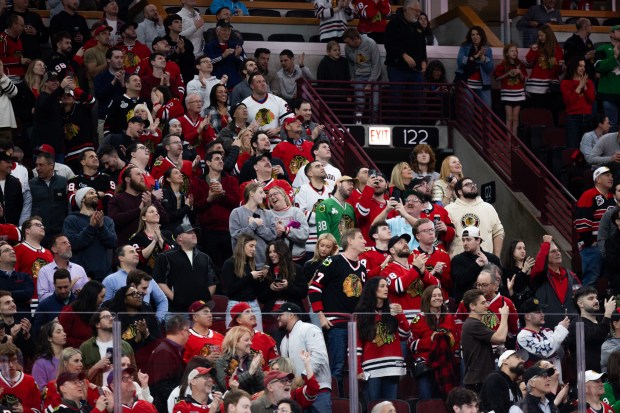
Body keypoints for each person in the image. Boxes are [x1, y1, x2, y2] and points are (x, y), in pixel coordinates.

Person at [308, 228, 367, 391]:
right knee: (338, 367)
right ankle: (337, 401)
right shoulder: (332, 262)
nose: (365, 241)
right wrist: (320, 316)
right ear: (350, 241)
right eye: (361, 238)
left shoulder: (362, 269)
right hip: (336, 324)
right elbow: (314, 288)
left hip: (356, 326)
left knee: (356, 368)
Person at [354, 277, 408, 402]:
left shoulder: (393, 310)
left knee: (390, 405)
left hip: (392, 365)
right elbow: (356, 346)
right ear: (373, 289)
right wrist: (357, 369)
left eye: (386, 286)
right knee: (374, 406)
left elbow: (405, 334)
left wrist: (400, 315)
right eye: (382, 286)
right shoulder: (361, 315)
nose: (386, 289)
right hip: (372, 368)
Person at [276, 302, 331, 413]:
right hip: (298, 394)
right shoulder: (283, 341)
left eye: (280, 314)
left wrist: (303, 376)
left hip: (318, 390)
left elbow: (318, 356)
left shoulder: (309, 329)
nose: (278, 318)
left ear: (291, 315)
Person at [153, 223, 217, 313]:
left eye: (194, 232)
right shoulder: (166, 256)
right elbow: (159, 281)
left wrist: (205, 299)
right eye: (189, 232)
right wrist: (175, 299)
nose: (194, 234)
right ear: (179, 238)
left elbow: (212, 282)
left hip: (201, 310)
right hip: (177, 312)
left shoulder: (205, 257)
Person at [410, 285, 459, 399]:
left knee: (447, 401)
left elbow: (456, 342)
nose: (438, 298)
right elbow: (412, 345)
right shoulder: (418, 319)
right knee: (427, 403)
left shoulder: (449, 318)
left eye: (440, 295)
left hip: (446, 366)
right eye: (434, 296)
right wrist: (430, 340)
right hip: (426, 367)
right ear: (427, 299)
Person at [62, 187, 117, 281]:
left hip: (105, 275)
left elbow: (113, 242)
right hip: (81, 276)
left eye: (96, 193)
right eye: (91, 193)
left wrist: (101, 227)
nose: (95, 195)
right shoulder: (71, 220)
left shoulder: (106, 220)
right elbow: (73, 244)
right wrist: (90, 227)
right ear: (82, 198)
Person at [460, 288, 509, 393]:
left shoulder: (474, 323)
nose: (487, 306)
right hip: (478, 381)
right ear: (472, 306)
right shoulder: (473, 324)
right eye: (482, 303)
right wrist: (504, 316)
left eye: (486, 302)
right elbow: (500, 338)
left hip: (480, 379)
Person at [381, 233, 439, 321]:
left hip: (422, 316)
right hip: (402, 318)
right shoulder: (388, 268)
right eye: (400, 243)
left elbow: (436, 286)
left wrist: (423, 273)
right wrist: (416, 268)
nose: (405, 244)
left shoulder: (415, 267)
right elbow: (398, 287)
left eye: (406, 243)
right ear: (392, 250)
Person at [108, 166, 167, 245]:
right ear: (128, 179)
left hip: (151, 244)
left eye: (142, 175)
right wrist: (139, 210)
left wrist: (150, 207)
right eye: (138, 174)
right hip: (128, 246)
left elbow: (165, 219)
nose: (142, 177)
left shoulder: (149, 196)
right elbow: (114, 221)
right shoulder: (117, 199)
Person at [575, 166, 615, 286]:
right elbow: (582, 222)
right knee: (590, 279)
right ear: (598, 179)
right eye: (607, 175)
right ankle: (585, 304)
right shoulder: (589, 195)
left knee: (609, 281)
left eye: (611, 176)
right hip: (593, 246)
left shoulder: (613, 198)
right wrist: (590, 242)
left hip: (610, 246)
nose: (611, 178)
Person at [446, 177, 505, 257]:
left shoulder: (488, 207)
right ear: (459, 191)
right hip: (460, 262)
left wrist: (496, 258)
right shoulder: (449, 209)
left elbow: (498, 232)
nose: (473, 185)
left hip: (485, 261)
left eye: (473, 184)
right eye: (468, 184)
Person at [531, 234, 580, 327]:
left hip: (572, 328)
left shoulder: (572, 276)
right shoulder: (541, 277)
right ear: (546, 256)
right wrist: (546, 244)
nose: (558, 253)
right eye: (553, 251)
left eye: (558, 250)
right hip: (549, 330)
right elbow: (539, 268)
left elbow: (581, 298)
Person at [145, 314, 189, 413]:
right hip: (164, 407)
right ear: (183, 331)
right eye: (188, 332)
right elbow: (162, 386)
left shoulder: (170, 349)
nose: (189, 335)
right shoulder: (164, 352)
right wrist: (183, 397)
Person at [78, 308, 134, 386]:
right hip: (96, 393)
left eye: (111, 316)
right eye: (106, 317)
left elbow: (134, 374)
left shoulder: (125, 346)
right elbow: (80, 378)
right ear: (97, 324)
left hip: (119, 392)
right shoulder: (85, 347)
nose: (111, 319)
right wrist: (97, 367)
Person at [221, 235, 265, 331]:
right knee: (234, 340)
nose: (254, 249)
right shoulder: (229, 263)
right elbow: (229, 290)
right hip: (236, 305)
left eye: (255, 247)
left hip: (253, 305)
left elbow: (257, 291)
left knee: (257, 339)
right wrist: (250, 277)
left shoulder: (252, 264)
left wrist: (261, 279)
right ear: (242, 245)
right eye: (251, 246)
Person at [229, 182, 277, 269]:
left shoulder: (268, 213)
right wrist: (253, 225)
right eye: (261, 192)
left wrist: (258, 226)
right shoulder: (236, 213)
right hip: (243, 265)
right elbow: (236, 236)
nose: (264, 196)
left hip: (264, 264)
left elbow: (272, 236)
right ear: (251, 193)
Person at [567, 286, 615, 371]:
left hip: (605, 374)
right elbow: (594, 337)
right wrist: (607, 314)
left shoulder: (601, 322)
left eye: (596, 298)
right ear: (580, 303)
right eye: (591, 298)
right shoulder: (577, 323)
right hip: (587, 378)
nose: (596, 301)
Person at [451, 226, 501, 303]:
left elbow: (499, 283)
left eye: (468, 239)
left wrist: (487, 265)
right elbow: (459, 281)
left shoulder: (493, 259)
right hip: (467, 304)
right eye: (463, 240)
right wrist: (476, 266)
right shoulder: (457, 259)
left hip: (490, 303)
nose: (465, 243)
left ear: (478, 240)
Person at [242, 74, 292, 147]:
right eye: (258, 82)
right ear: (252, 86)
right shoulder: (244, 105)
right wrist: (251, 129)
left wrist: (278, 129)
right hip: (255, 145)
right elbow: (239, 126)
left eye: (264, 81)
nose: (263, 84)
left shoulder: (279, 101)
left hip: (277, 144)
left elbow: (291, 120)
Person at [294, 161, 331, 258]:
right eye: (318, 166)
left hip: (328, 244)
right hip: (309, 244)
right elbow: (300, 214)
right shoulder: (302, 190)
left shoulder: (330, 191)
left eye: (322, 165)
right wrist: (325, 218)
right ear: (310, 173)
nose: (322, 168)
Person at [214, 326, 264, 395]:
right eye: (246, 340)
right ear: (235, 343)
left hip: (252, 401)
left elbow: (261, 387)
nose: (250, 343)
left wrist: (257, 371)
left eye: (250, 340)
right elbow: (226, 387)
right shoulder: (223, 362)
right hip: (231, 402)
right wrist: (250, 373)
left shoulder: (251, 359)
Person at [525, 24, 564, 112]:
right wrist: (532, 50)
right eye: (538, 35)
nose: (539, 38)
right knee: (537, 111)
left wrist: (561, 66)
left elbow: (559, 71)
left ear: (548, 35)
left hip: (551, 86)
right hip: (535, 86)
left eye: (541, 35)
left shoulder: (558, 50)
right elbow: (528, 63)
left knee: (549, 111)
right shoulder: (537, 48)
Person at [58, 280, 105, 348]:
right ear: (93, 296)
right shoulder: (69, 312)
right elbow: (62, 338)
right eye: (102, 297)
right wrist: (86, 344)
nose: (102, 301)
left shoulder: (97, 313)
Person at [267, 187, 308, 263]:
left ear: (284, 196)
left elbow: (305, 234)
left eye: (275, 193)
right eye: (270, 196)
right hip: (276, 261)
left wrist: (286, 230)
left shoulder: (296, 211)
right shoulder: (267, 214)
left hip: (296, 260)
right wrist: (275, 233)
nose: (272, 197)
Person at [561, 57, 595, 149]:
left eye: (584, 66)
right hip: (573, 118)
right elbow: (570, 102)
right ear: (573, 67)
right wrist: (580, 86)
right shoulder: (565, 83)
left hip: (587, 117)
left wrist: (585, 87)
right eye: (580, 66)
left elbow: (591, 100)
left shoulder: (589, 82)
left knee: (587, 148)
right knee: (573, 147)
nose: (583, 68)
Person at [494, 43, 527, 136]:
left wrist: (520, 73)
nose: (514, 52)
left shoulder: (520, 64)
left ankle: (515, 141)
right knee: (509, 117)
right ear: (507, 53)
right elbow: (497, 78)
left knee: (516, 118)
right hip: (507, 94)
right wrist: (507, 73)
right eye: (512, 51)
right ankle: (509, 142)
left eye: (515, 51)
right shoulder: (502, 65)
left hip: (518, 94)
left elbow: (523, 79)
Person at [455, 26, 494, 106]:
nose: (475, 37)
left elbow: (489, 69)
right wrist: (475, 56)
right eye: (473, 35)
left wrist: (483, 58)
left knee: (486, 109)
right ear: (470, 36)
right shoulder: (465, 47)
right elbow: (460, 62)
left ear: (481, 35)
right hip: (467, 82)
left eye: (477, 34)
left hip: (483, 84)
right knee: (468, 110)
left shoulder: (487, 49)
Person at [0, 342, 43, 413]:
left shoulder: (30, 381)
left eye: (13, 360)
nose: (11, 365)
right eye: (6, 361)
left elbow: (38, 410)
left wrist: (25, 411)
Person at [315, 176, 357, 246]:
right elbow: (323, 234)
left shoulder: (350, 208)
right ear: (338, 183)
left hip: (349, 251)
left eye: (353, 185)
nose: (352, 187)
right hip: (333, 251)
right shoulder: (325, 205)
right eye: (349, 183)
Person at [594, 25, 620, 132]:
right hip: (609, 95)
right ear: (611, 34)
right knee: (611, 126)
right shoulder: (602, 48)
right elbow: (598, 67)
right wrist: (614, 57)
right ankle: (611, 149)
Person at [204, 20, 245, 88]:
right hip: (216, 85)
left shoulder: (236, 46)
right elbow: (208, 63)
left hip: (234, 84)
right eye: (224, 30)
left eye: (229, 30)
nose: (227, 33)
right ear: (217, 31)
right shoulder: (209, 46)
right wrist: (222, 56)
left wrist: (238, 56)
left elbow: (245, 64)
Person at [31, 320, 66, 389]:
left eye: (63, 331)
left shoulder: (69, 357)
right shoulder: (40, 363)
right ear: (49, 338)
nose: (64, 334)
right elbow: (40, 389)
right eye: (59, 332)